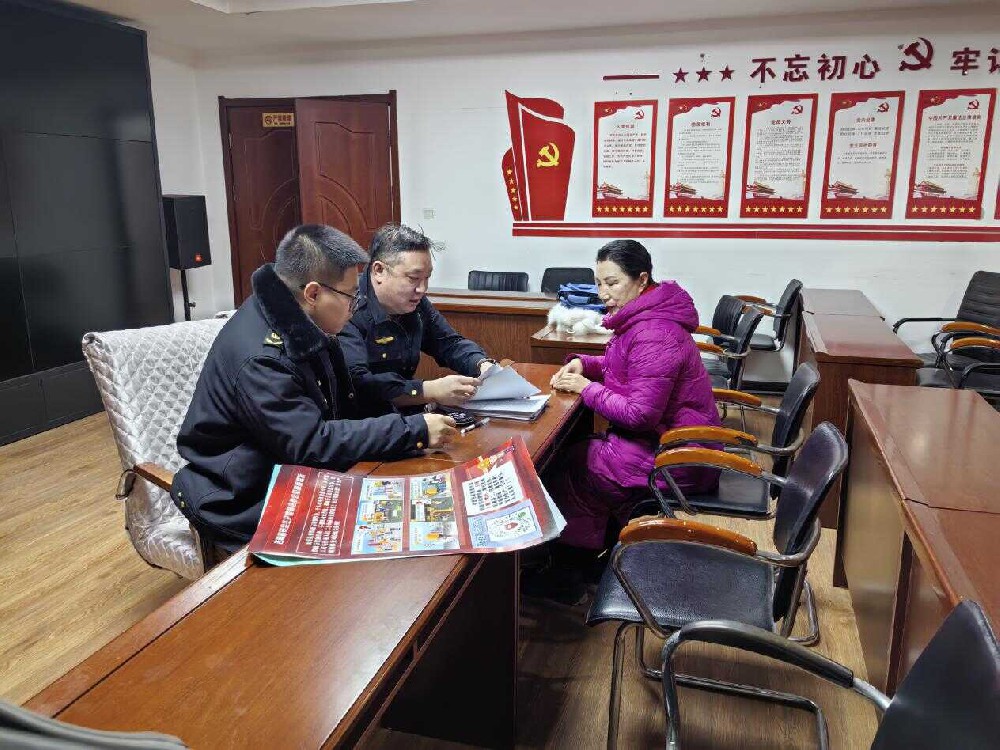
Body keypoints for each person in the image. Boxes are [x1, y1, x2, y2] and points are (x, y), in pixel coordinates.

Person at [172, 224, 459, 562]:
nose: (357, 306)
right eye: (351, 296)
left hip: (293, 471)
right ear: (312, 293)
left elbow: (341, 406)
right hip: (242, 497)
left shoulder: (296, 316)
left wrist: (409, 425)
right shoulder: (263, 358)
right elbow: (311, 443)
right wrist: (411, 430)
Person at [525, 239, 722, 605]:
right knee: (574, 456)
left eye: (612, 283)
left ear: (641, 279)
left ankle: (570, 571)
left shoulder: (654, 332)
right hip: (667, 443)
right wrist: (586, 363)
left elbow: (639, 414)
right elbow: (628, 367)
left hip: (678, 457)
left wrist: (586, 389)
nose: (603, 293)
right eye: (599, 283)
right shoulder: (645, 318)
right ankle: (597, 554)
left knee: (573, 468)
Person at [339, 223, 496, 413]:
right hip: (364, 421)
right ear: (379, 271)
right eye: (413, 278)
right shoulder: (346, 307)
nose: (422, 289)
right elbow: (359, 385)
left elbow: (449, 343)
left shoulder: (415, 302)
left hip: (404, 415)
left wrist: (481, 364)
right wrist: (428, 390)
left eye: (427, 278)